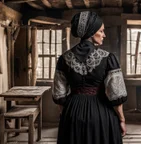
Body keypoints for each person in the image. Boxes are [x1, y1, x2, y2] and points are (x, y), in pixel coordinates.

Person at [52, 11, 127, 144]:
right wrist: (121, 119)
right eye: (101, 31)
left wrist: (68, 116)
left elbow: (59, 95)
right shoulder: (108, 58)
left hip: (72, 112)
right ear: (92, 32)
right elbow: (116, 95)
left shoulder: (64, 59)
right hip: (101, 114)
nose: (104, 35)